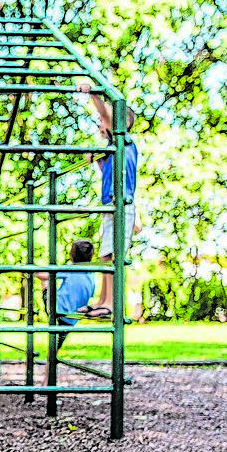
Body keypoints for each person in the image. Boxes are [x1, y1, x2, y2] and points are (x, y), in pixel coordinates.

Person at [76, 83, 140, 319]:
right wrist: (99, 159)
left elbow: (104, 114)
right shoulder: (114, 148)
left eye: (107, 121)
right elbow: (112, 173)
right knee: (105, 256)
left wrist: (92, 93)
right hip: (110, 206)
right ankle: (104, 300)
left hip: (120, 206)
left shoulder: (123, 139)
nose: (101, 123)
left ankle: (112, 303)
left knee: (113, 256)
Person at [36, 240, 96, 349]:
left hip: (56, 308)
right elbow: (90, 294)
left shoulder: (70, 268)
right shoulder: (91, 273)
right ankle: (50, 364)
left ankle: (50, 364)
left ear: (71, 256)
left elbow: (44, 275)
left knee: (46, 281)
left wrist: (32, 270)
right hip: (73, 317)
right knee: (56, 346)